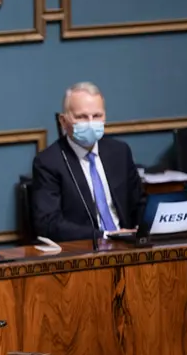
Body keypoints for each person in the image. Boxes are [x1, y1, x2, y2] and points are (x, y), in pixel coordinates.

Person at [32, 82, 145, 242]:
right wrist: (104, 236)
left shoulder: (119, 152)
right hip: (84, 251)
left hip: (128, 245)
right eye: (82, 117)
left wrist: (143, 228)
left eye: (97, 116)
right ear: (63, 121)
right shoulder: (49, 162)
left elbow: (139, 204)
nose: (91, 123)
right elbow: (49, 224)